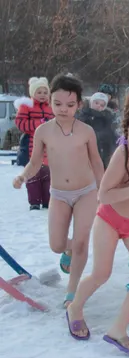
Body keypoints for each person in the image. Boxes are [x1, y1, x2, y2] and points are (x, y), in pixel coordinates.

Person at [66, 91, 129, 357]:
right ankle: (75, 306)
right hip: (110, 220)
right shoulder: (123, 155)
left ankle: (118, 329)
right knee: (102, 273)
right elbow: (104, 195)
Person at [13, 74, 104, 307]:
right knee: (56, 244)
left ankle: (72, 293)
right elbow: (35, 163)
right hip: (59, 194)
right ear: (50, 101)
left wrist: (103, 188)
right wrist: (23, 176)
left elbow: (96, 162)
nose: (63, 109)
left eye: (70, 105)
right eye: (57, 103)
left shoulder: (86, 131)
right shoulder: (43, 131)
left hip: (86, 192)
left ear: (79, 105)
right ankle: (68, 250)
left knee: (82, 242)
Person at [14, 77, 54, 210]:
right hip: (31, 144)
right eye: (39, 92)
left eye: (45, 92)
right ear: (32, 93)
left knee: (48, 175)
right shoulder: (27, 107)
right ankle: (34, 201)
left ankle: (47, 200)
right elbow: (20, 123)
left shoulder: (51, 107)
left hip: (48, 146)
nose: (42, 95)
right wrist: (39, 124)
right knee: (33, 175)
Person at [77, 92, 119, 169]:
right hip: (86, 154)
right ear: (91, 102)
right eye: (96, 103)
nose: (99, 106)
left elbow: (113, 136)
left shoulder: (108, 118)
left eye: (102, 105)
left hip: (104, 153)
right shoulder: (83, 116)